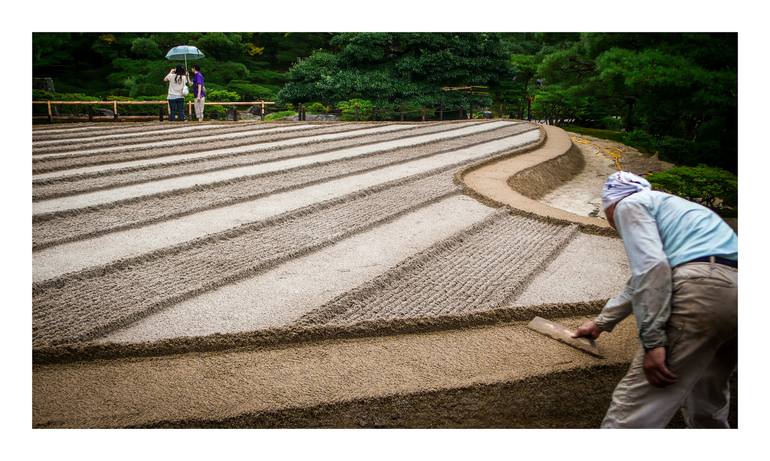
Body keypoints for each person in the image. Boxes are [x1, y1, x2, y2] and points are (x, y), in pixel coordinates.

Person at [574, 171, 737, 428]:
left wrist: (653, 342)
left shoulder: (629, 204)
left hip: (703, 290)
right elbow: (637, 285)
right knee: (707, 399)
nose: (611, 224)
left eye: (609, 217)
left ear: (610, 203)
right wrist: (601, 323)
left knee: (633, 413)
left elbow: (651, 268)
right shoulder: (677, 208)